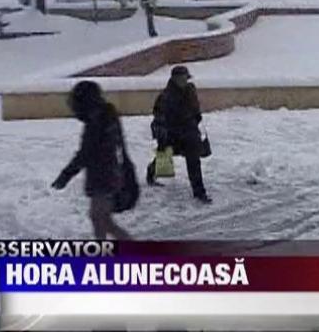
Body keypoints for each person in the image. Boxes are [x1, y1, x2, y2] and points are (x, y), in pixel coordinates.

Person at [51, 81, 134, 239]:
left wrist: (66, 174)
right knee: (102, 220)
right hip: (107, 174)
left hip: (103, 176)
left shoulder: (98, 120)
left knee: (99, 219)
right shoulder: (105, 115)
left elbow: (86, 153)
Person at [147, 66, 211, 203]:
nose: (185, 81)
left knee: (193, 161)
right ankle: (151, 172)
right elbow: (158, 115)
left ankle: (199, 192)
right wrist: (162, 133)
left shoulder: (190, 91)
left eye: (186, 78)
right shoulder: (165, 96)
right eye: (182, 78)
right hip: (172, 133)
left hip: (189, 133)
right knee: (165, 155)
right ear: (175, 79)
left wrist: (196, 124)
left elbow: (196, 110)